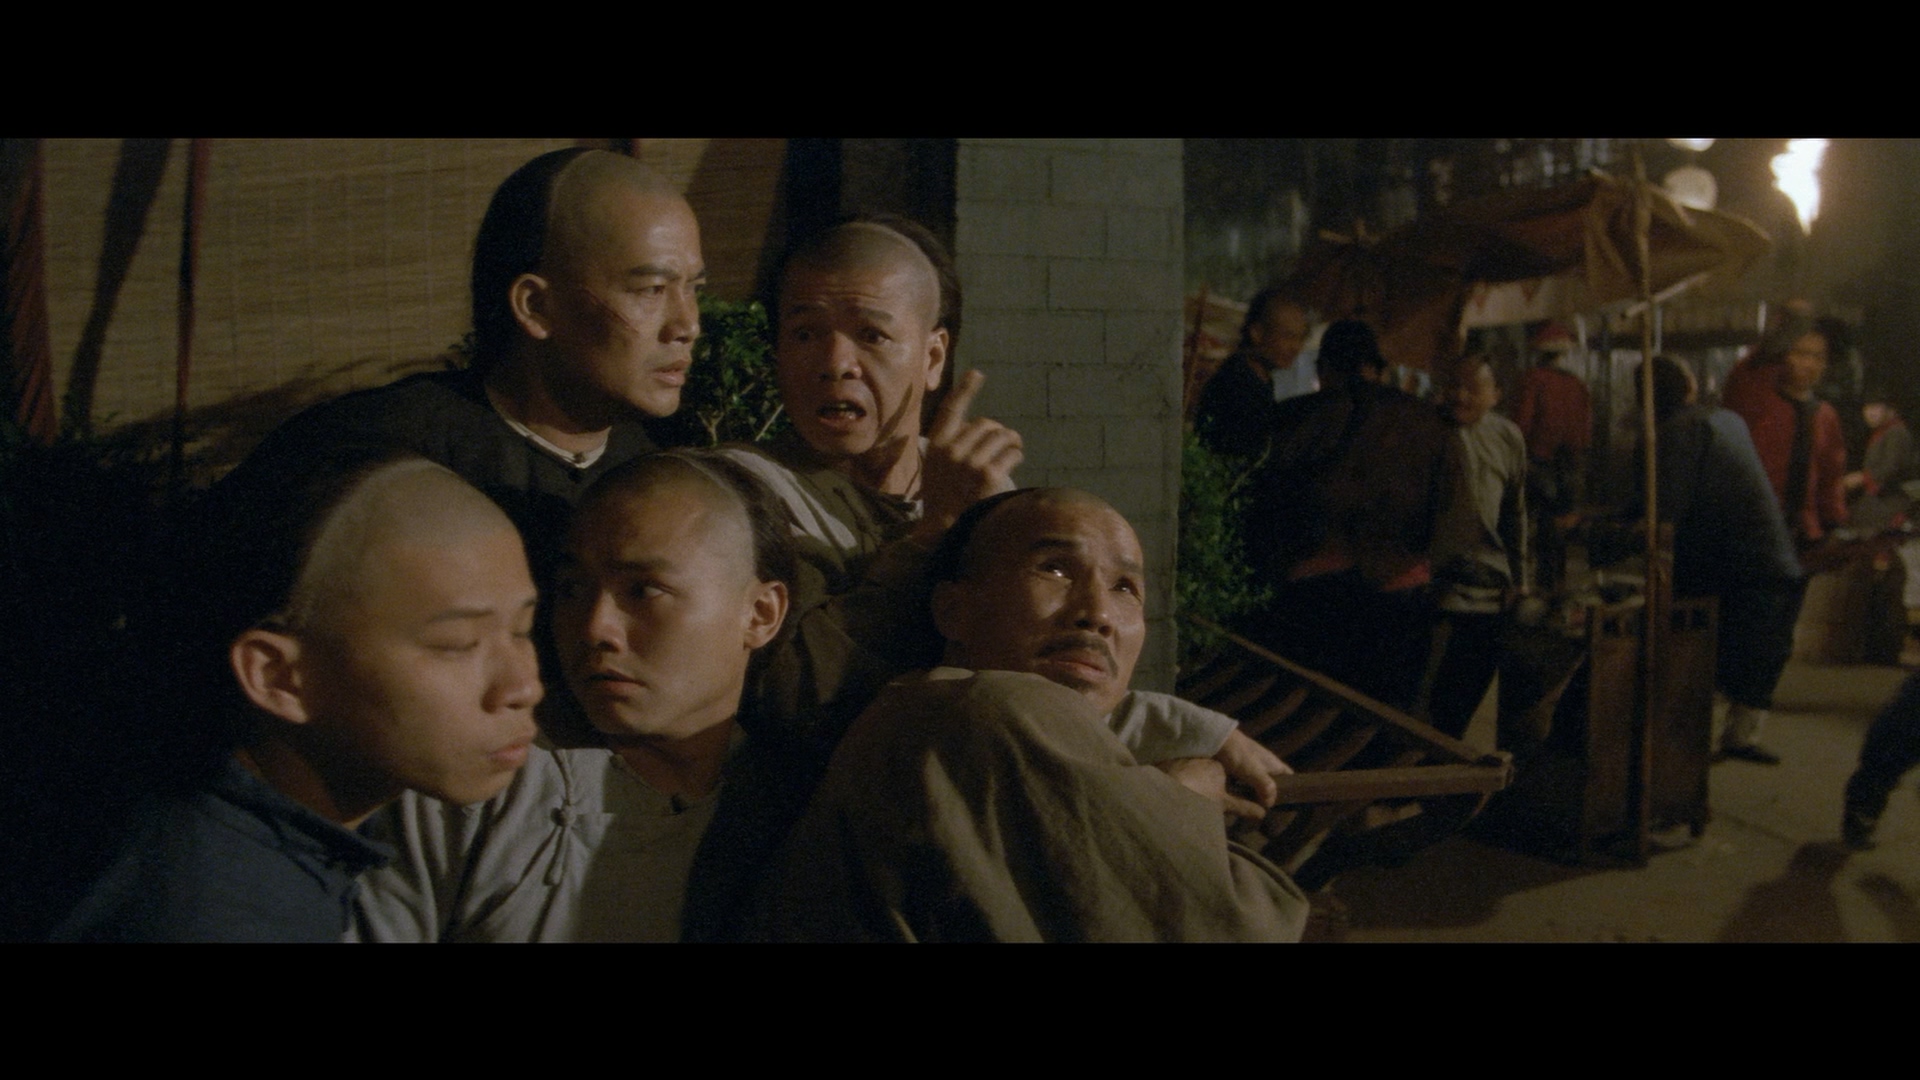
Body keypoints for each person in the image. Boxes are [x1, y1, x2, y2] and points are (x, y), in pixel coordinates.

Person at [724, 216, 1268, 785]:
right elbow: (794, 702)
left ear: (933, 358)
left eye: (872, 335)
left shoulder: (974, 484)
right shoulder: (738, 496)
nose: (835, 363)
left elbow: (1045, 680)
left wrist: (1192, 731)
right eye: (804, 334)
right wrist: (935, 531)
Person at [756, 487, 1307, 942]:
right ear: (953, 610)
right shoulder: (990, 712)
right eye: (1055, 570)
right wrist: (1187, 797)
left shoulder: (936, 711)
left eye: (1125, 587)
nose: (1098, 613)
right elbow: (1251, 926)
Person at [49, 444, 543, 941]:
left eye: (523, 630)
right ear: (278, 676)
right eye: (457, 644)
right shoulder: (220, 913)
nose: (524, 686)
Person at [353, 449, 803, 942]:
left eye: (644, 591)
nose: (594, 627)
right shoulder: (474, 781)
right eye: (571, 588)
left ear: (760, 614)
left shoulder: (791, 812)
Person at [240, 147, 702, 576]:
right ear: (536, 307)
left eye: (694, 289)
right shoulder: (371, 457)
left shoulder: (660, 476)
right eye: (652, 290)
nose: (688, 325)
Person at [1239, 319, 1462, 712]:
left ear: (1323, 369)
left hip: (1310, 596)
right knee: (1382, 722)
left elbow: (1261, 507)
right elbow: (1454, 521)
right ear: (1376, 368)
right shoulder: (1431, 424)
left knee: (1305, 718)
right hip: (1401, 596)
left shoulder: (1299, 415)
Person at [1637, 357, 1802, 765]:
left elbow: (1668, 512)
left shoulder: (1679, 431)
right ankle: (1733, 737)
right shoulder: (1726, 420)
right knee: (1760, 653)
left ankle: (1683, 742)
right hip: (1770, 557)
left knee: (1705, 652)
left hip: (1739, 560)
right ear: (1690, 387)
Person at [1426, 355, 1528, 741]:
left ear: (1495, 394)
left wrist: (1520, 576)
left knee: (1468, 689)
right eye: (1454, 385)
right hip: (1435, 586)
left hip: (1488, 586)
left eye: (1472, 388)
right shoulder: (1428, 430)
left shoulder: (1507, 437)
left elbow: (1515, 512)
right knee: (1430, 694)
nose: (1460, 396)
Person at [1722, 316, 1849, 556]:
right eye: (1800, 353)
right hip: (1754, 530)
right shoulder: (1757, 401)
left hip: (1805, 534)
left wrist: (1834, 523)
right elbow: (1745, 375)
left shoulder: (1825, 415)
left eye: (1818, 357)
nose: (1808, 363)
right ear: (1783, 357)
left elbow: (1831, 477)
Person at [1510, 323, 1590, 591]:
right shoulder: (1577, 384)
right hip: (1571, 462)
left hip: (1538, 460)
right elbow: (1585, 430)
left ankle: (1534, 584)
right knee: (1561, 523)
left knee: (1532, 523)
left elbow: (1521, 423)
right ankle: (1557, 582)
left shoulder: (1533, 379)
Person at [1193, 288, 1310, 464]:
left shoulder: (1259, 378)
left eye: (1300, 338)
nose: (1296, 347)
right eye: (1288, 336)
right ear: (1257, 333)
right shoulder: (1236, 384)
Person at [1841, 669, 1920, 850]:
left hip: (1898, 728)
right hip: (1900, 730)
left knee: (1879, 772)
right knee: (1879, 774)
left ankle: (1859, 819)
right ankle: (1859, 819)